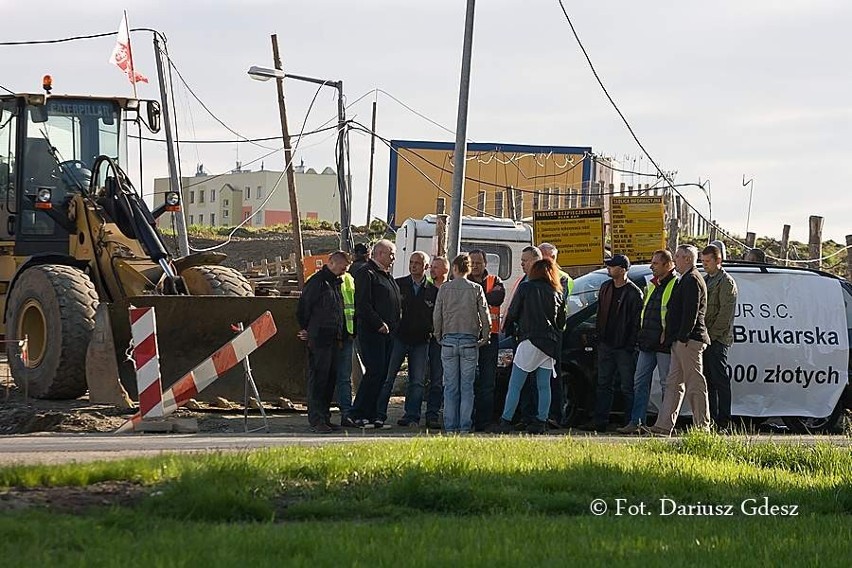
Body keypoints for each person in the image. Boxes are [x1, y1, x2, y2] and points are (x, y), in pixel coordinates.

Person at [497, 258, 566, 434]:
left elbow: (513, 311)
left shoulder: (526, 288)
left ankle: (506, 420)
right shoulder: (557, 291)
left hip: (529, 340)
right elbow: (561, 322)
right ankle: (541, 421)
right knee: (544, 385)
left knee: (516, 384)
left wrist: (509, 328)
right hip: (549, 343)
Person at [648, 244, 711, 436]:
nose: (674, 260)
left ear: (688, 259)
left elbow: (690, 312)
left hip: (689, 340)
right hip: (679, 340)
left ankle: (702, 426)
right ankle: (664, 425)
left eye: (677, 256)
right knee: (673, 384)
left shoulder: (692, 279)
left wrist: (683, 336)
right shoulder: (685, 279)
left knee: (694, 383)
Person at [580, 254, 642, 433]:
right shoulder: (606, 287)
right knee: (603, 384)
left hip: (624, 347)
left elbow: (635, 323)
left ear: (622, 269)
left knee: (627, 386)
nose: (609, 268)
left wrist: (630, 345)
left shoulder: (633, 292)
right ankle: (600, 421)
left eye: (613, 266)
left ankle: (630, 422)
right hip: (606, 344)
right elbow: (600, 314)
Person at [618, 249, 677, 434]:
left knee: (667, 384)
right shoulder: (653, 284)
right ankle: (637, 422)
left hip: (663, 344)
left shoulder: (676, 284)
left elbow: (674, 313)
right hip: (647, 341)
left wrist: (667, 334)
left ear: (668, 265)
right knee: (640, 381)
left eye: (655, 263)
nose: (651, 267)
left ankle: (665, 423)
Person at [377, 251, 437, 427]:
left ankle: (412, 415)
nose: (413, 266)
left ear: (426, 267)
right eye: (411, 262)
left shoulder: (433, 291)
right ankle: (379, 413)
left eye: (417, 263)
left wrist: (431, 332)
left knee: (417, 381)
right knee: (388, 378)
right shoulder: (398, 285)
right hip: (399, 339)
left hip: (421, 341)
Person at [433, 253, 490, 434]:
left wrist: (438, 334)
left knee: (450, 386)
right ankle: (465, 426)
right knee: (467, 387)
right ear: (468, 269)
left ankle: (450, 427)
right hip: (469, 341)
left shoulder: (444, 288)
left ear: (455, 268)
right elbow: (485, 315)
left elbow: (437, 314)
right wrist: (486, 336)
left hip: (449, 341)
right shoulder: (476, 288)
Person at [296, 250, 351, 433]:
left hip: (335, 339)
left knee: (329, 381)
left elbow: (338, 311)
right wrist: (309, 330)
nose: (344, 270)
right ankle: (317, 419)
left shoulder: (336, 283)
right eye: (343, 266)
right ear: (332, 263)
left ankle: (325, 417)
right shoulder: (317, 283)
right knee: (318, 380)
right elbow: (303, 308)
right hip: (319, 340)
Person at [350, 239, 402, 428]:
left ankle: (372, 415)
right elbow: (363, 304)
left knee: (382, 375)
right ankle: (358, 413)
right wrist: (378, 323)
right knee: (374, 372)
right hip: (372, 332)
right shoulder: (367, 273)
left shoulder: (386, 275)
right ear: (379, 253)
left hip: (389, 334)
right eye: (391, 254)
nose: (394, 258)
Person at [701, 244, 738, 432]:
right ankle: (712, 419)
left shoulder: (726, 283)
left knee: (720, 380)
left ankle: (724, 420)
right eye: (703, 261)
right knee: (708, 381)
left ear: (718, 261)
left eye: (708, 262)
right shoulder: (706, 280)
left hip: (718, 339)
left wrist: (711, 337)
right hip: (706, 339)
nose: (704, 265)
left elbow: (725, 315)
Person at [467, 249, 505, 432]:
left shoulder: (494, 281)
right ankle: (468, 419)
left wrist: (474, 296)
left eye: (478, 263)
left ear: (485, 264)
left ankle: (484, 421)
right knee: (467, 381)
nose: (474, 266)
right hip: (468, 337)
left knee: (488, 382)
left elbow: (498, 297)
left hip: (490, 338)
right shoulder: (462, 281)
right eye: (471, 263)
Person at [538, 242, 574, 426]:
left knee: (552, 375)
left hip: (553, 333)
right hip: (535, 332)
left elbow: (558, 304)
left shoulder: (562, 278)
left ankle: (555, 415)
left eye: (543, 256)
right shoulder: (532, 275)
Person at [422, 256, 449, 429]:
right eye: (431, 267)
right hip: (428, 338)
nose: (432, 270)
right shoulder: (426, 289)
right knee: (429, 378)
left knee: (442, 379)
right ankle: (426, 414)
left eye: (436, 267)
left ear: (446, 270)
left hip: (447, 339)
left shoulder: (451, 289)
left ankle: (440, 414)